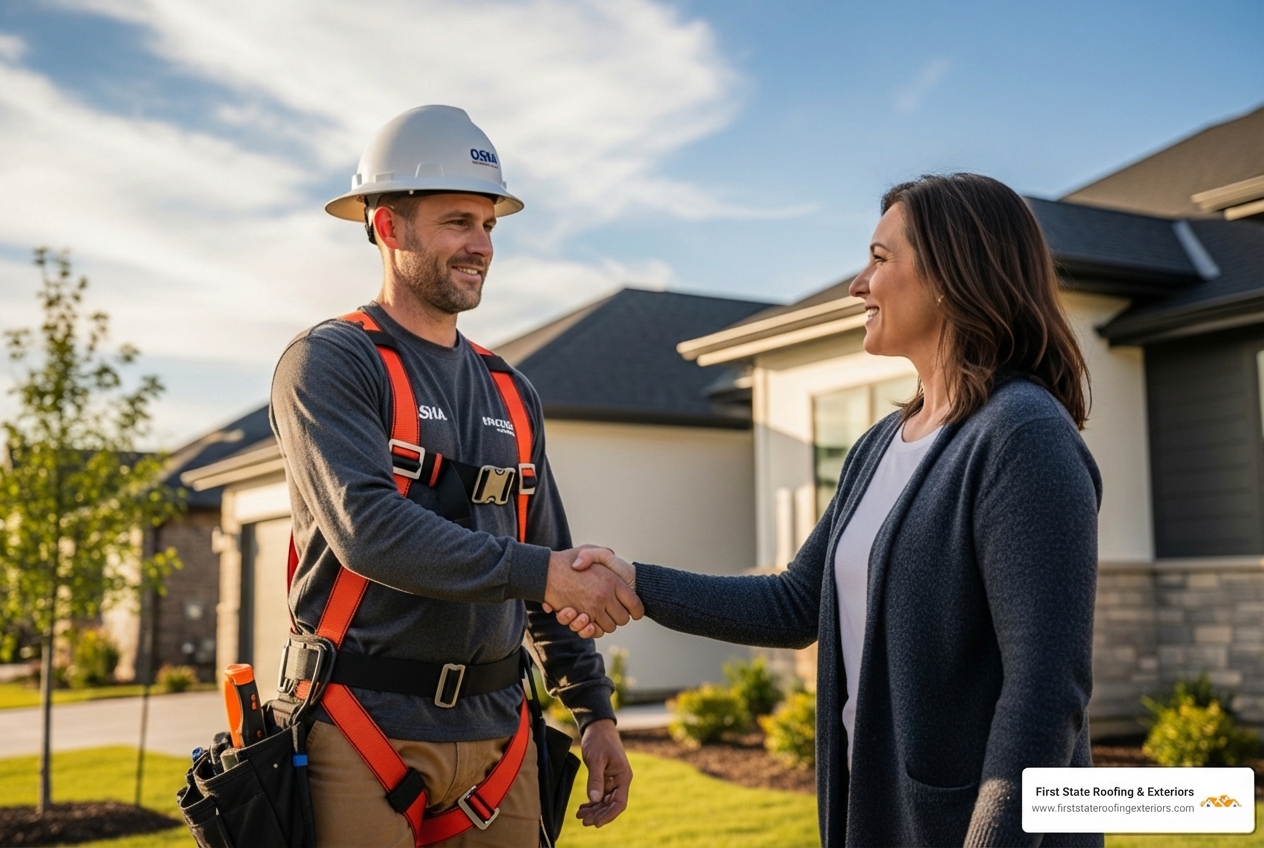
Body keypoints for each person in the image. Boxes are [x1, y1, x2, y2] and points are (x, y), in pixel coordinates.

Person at [556, 173, 1104, 846]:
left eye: (879, 259)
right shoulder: (879, 445)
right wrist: (638, 583)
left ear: (949, 274)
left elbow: (1046, 689)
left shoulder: (1022, 436)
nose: (857, 285)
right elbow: (795, 603)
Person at [271, 105, 640, 847]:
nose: (481, 246)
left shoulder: (511, 390)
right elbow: (368, 531)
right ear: (387, 226)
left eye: (490, 226)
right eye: (457, 222)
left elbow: (549, 556)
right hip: (361, 726)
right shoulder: (331, 363)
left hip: (500, 735)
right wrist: (544, 573)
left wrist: (593, 711)